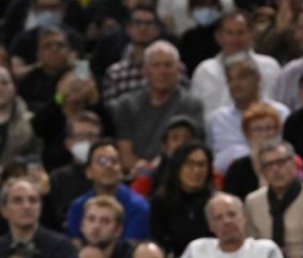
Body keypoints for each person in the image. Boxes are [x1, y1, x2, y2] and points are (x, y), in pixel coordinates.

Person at [113, 41, 204, 171]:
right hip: (137, 175)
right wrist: (147, 171)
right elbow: (125, 155)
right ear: (145, 71)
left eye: (168, 65)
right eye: (156, 65)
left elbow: (192, 150)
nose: (163, 71)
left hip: (177, 172)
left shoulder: (192, 105)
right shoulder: (127, 105)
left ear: (178, 70)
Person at [245, 140, 303, 258]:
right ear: (262, 171)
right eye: (268, 165)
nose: (275, 170)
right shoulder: (253, 201)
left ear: (293, 163)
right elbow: (251, 243)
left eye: (281, 162)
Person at [66, 139, 150, 241]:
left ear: (121, 170)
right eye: (102, 161)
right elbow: (74, 245)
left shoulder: (138, 207)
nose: (109, 165)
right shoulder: (77, 207)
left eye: (114, 161)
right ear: (89, 172)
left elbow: (132, 247)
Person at [181, 192, 283, 258]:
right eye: (218, 218)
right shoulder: (197, 249)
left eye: (232, 214)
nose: (227, 221)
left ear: (244, 217)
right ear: (210, 226)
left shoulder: (265, 250)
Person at [0, 178, 77, 258]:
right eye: (18, 201)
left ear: (40, 207)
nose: (27, 206)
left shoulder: (61, 247)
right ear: (3, 210)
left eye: (33, 200)